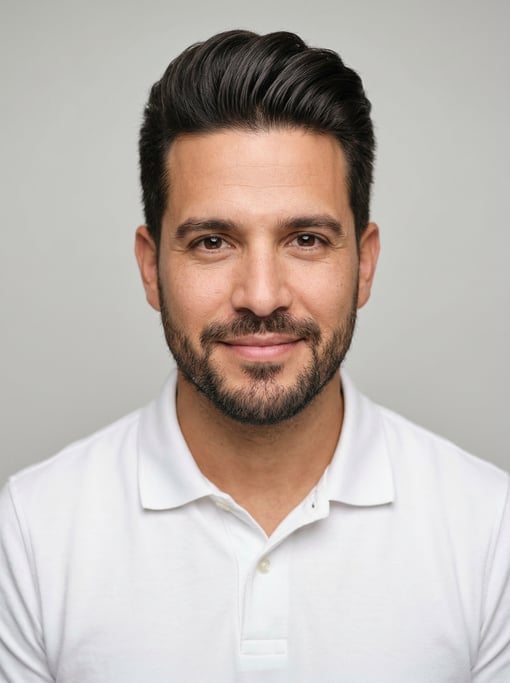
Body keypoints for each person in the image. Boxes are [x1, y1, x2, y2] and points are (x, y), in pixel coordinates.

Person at [0, 29, 508, 683]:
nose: (262, 296)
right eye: (213, 241)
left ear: (365, 263)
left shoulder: (491, 529)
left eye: (305, 238)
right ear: (152, 268)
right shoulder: (31, 531)